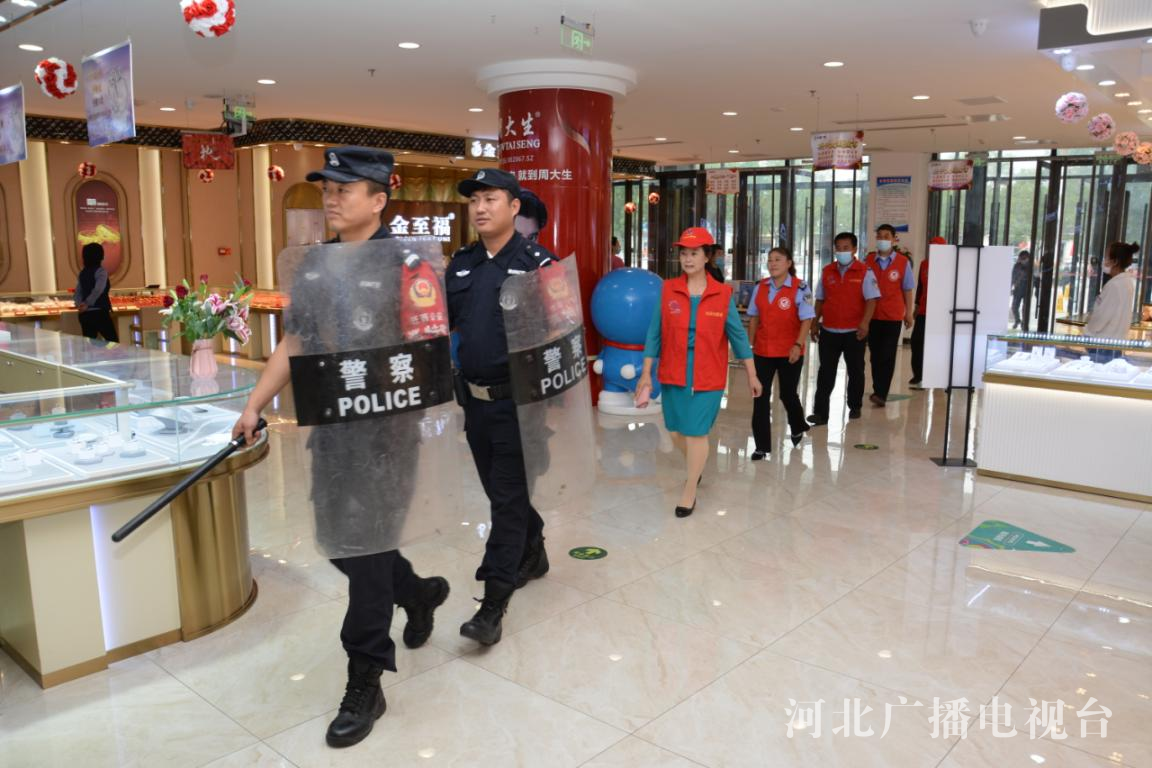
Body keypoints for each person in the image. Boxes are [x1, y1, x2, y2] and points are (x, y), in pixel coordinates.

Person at [231, 147, 450, 750]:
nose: (331, 199)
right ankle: (419, 592)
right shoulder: (315, 266)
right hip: (331, 429)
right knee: (337, 542)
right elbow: (296, 341)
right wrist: (254, 405)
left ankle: (365, 680)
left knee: (369, 553)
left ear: (378, 199)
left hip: (387, 436)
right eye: (327, 189)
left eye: (343, 189)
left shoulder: (410, 265)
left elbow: (430, 352)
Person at [447, 169, 559, 647]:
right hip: (474, 402)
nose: (480, 208)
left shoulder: (539, 264)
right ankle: (534, 548)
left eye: (490, 198)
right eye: (474, 200)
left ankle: (493, 605)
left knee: (507, 499)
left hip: (520, 405)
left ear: (514, 207)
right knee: (500, 492)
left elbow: (562, 332)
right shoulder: (462, 264)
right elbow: (440, 325)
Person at [634, 227, 761, 517]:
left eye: (694, 253)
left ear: (707, 257)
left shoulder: (722, 293)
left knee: (696, 432)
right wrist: (645, 373)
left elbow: (738, 337)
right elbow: (654, 333)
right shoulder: (668, 289)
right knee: (675, 431)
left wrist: (752, 374)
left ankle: (689, 490)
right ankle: (697, 464)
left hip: (709, 374)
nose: (688, 259)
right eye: (684, 253)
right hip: (673, 371)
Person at [747, 246, 813, 460]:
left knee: (787, 394)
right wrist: (750, 345)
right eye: (770, 260)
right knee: (760, 396)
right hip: (763, 351)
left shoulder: (800, 287)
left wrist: (798, 345)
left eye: (778, 259)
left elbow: (807, 319)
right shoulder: (761, 287)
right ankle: (761, 446)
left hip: (789, 351)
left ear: (789, 263)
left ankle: (798, 425)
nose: (773, 263)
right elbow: (754, 317)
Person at [808, 232, 880, 425]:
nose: (841, 251)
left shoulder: (864, 271)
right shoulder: (827, 271)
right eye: (838, 248)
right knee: (825, 372)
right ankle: (820, 413)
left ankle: (855, 406)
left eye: (846, 248)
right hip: (829, 331)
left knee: (856, 371)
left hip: (854, 332)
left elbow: (872, 300)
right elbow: (820, 299)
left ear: (854, 249)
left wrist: (865, 323)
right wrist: (814, 323)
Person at [863, 224, 914, 407]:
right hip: (872, 315)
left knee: (887, 354)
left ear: (894, 239)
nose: (882, 239)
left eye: (886, 236)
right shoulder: (868, 260)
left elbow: (907, 289)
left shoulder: (902, 262)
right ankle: (878, 389)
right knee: (875, 355)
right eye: (880, 236)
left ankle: (881, 393)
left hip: (893, 316)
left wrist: (909, 313)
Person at [1085, 242, 1140, 340]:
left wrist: (1087, 332)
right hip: (1116, 340)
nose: (1104, 261)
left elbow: (1102, 317)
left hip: (1102, 341)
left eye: (1106, 257)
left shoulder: (1114, 285)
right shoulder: (1126, 282)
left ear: (1115, 262)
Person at [910, 236, 946, 386]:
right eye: (931, 247)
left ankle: (938, 374)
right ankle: (918, 375)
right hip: (924, 311)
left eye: (937, 247)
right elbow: (920, 287)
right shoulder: (924, 264)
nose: (933, 250)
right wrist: (916, 307)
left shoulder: (949, 265)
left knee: (938, 345)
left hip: (941, 313)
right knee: (917, 342)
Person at [74, 243, 119, 342]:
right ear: (101, 256)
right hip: (99, 313)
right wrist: (87, 303)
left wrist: (79, 304)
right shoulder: (101, 271)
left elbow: (78, 291)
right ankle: (110, 353)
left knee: (89, 344)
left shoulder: (83, 273)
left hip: (85, 314)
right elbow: (98, 289)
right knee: (113, 343)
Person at [1011, 250, 1031, 329]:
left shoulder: (1031, 266)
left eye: (1024, 258)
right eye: (1021, 258)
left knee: (1025, 308)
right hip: (1018, 288)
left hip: (1027, 288)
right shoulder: (1017, 266)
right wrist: (1011, 286)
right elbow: (1013, 276)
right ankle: (1017, 320)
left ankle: (1024, 322)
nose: (1022, 260)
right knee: (1014, 307)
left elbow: (1036, 276)